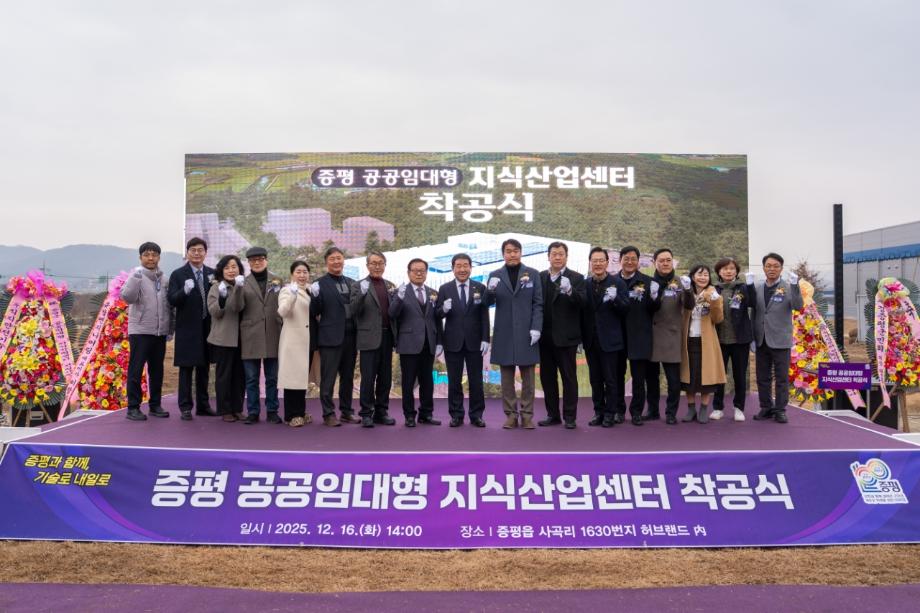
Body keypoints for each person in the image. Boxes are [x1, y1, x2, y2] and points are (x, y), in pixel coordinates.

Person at [486, 238, 543, 430]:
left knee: (528, 378)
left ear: (521, 253)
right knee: (507, 379)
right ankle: (511, 415)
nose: (512, 254)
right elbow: (487, 303)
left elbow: (538, 303)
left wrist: (536, 327)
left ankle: (527, 415)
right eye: (509, 251)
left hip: (527, 332)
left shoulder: (533, 274)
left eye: (516, 251)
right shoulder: (495, 275)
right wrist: (490, 291)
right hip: (504, 334)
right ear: (503, 254)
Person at [435, 253, 490, 428]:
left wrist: (485, 338)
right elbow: (437, 315)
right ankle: (456, 415)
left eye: (465, 265)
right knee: (454, 381)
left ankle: (476, 415)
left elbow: (484, 314)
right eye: (458, 266)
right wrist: (443, 309)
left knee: (476, 381)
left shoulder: (480, 287)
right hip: (453, 342)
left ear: (471, 268)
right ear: (453, 268)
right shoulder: (444, 289)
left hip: (475, 342)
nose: (462, 269)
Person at [120, 241, 172, 421]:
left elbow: (169, 306)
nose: (151, 258)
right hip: (140, 331)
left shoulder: (165, 280)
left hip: (159, 332)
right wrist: (135, 277)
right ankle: (133, 407)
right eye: (147, 255)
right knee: (136, 369)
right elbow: (127, 297)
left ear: (159, 257)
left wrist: (169, 328)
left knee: (157, 370)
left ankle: (155, 405)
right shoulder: (136, 276)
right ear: (140, 257)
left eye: (154, 255)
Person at [310, 247, 361, 427]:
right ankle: (328, 414)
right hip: (330, 338)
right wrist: (314, 297)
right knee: (328, 378)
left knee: (347, 377)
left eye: (339, 258)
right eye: (332, 259)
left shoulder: (353, 283)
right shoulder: (319, 284)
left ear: (343, 261)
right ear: (326, 262)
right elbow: (314, 312)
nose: (336, 262)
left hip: (351, 337)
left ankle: (347, 412)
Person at [538, 241, 586, 429]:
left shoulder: (577, 278)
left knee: (569, 378)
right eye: (554, 254)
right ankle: (553, 415)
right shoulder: (540, 277)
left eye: (561, 254)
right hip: (544, 338)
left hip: (566, 338)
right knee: (547, 378)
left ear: (566, 256)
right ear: (548, 256)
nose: (557, 257)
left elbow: (583, 302)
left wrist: (570, 291)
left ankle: (570, 417)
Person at [389, 258, 442, 427]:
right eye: (415, 270)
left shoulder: (433, 292)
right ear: (408, 272)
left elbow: (437, 319)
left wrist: (439, 341)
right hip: (408, 343)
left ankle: (426, 414)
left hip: (428, 343)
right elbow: (392, 314)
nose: (419, 273)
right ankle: (409, 415)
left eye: (422, 270)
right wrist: (399, 298)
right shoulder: (401, 292)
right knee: (408, 382)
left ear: (426, 273)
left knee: (427, 381)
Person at [167, 237, 215, 420]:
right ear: (187, 253)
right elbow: (171, 300)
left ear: (205, 253)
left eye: (200, 250)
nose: (197, 253)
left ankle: (203, 405)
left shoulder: (212, 273)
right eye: (193, 250)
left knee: (204, 369)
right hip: (187, 329)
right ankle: (185, 407)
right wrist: (184, 291)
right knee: (186, 370)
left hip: (207, 328)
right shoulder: (178, 274)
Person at [752, 252, 803, 424]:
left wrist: (795, 285)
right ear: (764, 268)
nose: (772, 269)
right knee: (762, 377)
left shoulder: (788, 287)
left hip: (780, 339)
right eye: (768, 266)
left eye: (775, 266)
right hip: (761, 339)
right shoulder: (758, 288)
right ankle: (766, 407)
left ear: (781, 268)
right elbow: (756, 312)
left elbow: (798, 306)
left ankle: (780, 409)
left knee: (781, 378)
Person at [582, 247, 629, 427]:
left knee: (611, 379)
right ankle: (598, 412)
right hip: (591, 340)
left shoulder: (618, 283)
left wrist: (615, 299)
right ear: (590, 263)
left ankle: (611, 412)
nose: (598, 264)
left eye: (601, 260)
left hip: (610, 340)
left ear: (607, 262)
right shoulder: (585, 284)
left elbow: (626, 309)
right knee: (595, 379)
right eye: (595, 261)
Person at [351, 251, 398, 428]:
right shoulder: (358, 285)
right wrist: (362, 294)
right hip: (368, 338)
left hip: (388, 337)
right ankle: (366, 413)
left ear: (385, 265)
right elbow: (353, 311)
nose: (377, 266)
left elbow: (394, 312)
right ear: (367, 265)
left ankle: (381, 412)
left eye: (380, 263)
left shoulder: (390, 285)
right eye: (373, 263)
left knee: (385, 378)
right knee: (368, 378)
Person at [614, 246, 659, 426]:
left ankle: (636, 412)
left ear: (638, 261)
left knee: (638, 378)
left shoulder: (647, 282)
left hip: (640, 336)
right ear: (620, 260)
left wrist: (655, 297)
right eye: (626, 258)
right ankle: (618, 410)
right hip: (617, 336)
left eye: (633, 258)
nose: (630, 262)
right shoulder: (612, 281)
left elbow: (653, 309)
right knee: (617, 377)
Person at [239, 246, 283, 425]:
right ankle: (253, 411)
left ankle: (272, 410)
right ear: (248, 263)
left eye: (260, 259)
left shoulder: (277, 280)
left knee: (272, 378)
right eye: (253, 260)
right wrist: (236, 289)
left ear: (266, 260)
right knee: (251, 378)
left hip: (273, 333)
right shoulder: (243, 282)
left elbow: (283, 303)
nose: (257, 262)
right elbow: (238, 307)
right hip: (250, 335)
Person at [679, 264, 726, 423]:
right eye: (699, 274)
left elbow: (718, 318)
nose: (702, 277)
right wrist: (686, 291)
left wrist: (715, 302)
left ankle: (704, 408)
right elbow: (684, 308)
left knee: (706, 376)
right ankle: (691, 408)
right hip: (689, 339)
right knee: (689, 376)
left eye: (705, 274)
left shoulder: (713, 293)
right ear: (693, 277)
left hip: (706, 341)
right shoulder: (686, 291)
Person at [712, 257, 757, 422]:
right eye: (724, 269)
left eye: (731, 268)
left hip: (740, 340)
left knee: (739, 375)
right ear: (719, 272)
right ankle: (717, 408)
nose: (728, 271)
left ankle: (739, 408)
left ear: (736, 271)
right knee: (719, 376)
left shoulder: (743, 288)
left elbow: (752, 303)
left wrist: (751, 285)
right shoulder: (713, 289)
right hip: (719, 340)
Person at [645, 248, 686, 425]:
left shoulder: (680, 282)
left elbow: (689, 304)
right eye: (661, 260)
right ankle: (653, 410)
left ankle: (671, 412)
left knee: (673, 380)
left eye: (668, 260)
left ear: (673, 262)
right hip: (651, 337)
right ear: (655, 262)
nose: (665, 263)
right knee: (651, 378)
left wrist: (689, 289)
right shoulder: (646, 282)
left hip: (671, 336)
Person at [206, 255, 246, 422]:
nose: (231, 270)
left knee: (239, 375)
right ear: (222, 271)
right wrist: (222, 298)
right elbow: (215, 312)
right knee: (224, 375)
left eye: (234, 267)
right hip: (223, 338)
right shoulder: (216, 288)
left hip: (242, 338)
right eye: (227, 267)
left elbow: (239, 306)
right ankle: (224, 409)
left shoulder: (242, 286)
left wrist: (238, 288)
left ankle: (237, 408)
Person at [278, 260, 312, 427]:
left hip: (305, 341)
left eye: (305, 272)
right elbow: (282, 311)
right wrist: (292, 295)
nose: (302, 275)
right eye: (298, 272)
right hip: (293, 341)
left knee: (301, 379)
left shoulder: (310, 290)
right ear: (292, 274)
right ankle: (291, 415)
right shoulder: (287, 290)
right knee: (292, 379)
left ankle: (301, 411)